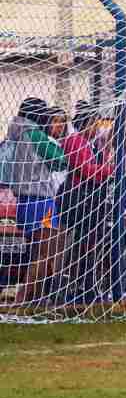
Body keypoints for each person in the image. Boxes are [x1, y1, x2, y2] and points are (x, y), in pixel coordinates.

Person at [7, 99, 67, 304]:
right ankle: (22, 300)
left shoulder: (17, 133)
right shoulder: (35, 135)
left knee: (38, 253)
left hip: (25, 201)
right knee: (46, 252)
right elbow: (60, 159)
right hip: (40, 202)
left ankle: (35, 299)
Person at [59, 99, 114, 302]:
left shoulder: (90, 143)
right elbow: (86, 170)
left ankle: (87, 284)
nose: (97, 128)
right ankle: (75, 286)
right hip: (77, 198)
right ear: (87, 123)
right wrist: (110, 171)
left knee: (90, 243)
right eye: (95, 123)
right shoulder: (75, 141)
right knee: (80, 243)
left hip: (88, 198)